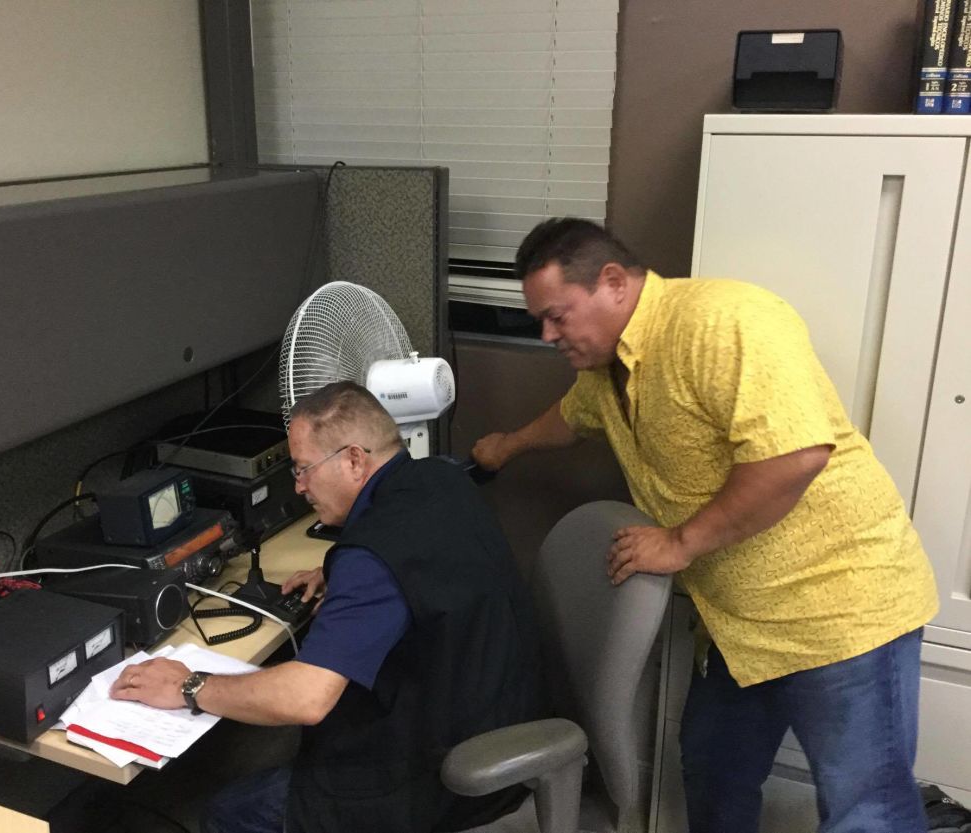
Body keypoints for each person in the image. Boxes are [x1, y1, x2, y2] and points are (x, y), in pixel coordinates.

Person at [471, 217, 939, 833]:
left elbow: (794, 456)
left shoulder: (722, 321)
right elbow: (575, 416)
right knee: (714, 772)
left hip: (838, 608)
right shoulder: (607, 369)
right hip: (737, 624)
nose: (547, 333)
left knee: (866, 805)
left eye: (557, 315)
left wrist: (679, 542)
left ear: (613, 282)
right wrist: (508, 445)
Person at [113, 381, 546, 833]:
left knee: (229, 812)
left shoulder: (373, 558)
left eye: (303, 469)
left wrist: (189, 685)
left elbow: (307, 699)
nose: (298, 487)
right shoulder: (440, 479)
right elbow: (425, 564)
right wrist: (336, 571)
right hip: (498, 716)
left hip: (444, 779)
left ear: (354, 459)